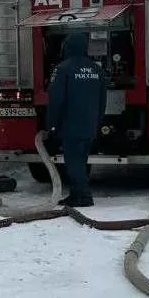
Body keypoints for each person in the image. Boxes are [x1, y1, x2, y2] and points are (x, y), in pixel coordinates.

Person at [46, 31, 106, 207]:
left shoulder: (63, 69)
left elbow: (56, 100)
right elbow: (103, 99)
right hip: (89, 124)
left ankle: (84, 197)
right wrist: (97, 121)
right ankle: (75, 194)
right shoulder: (96, 69)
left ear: (68, 47)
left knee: (73, 162)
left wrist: (52, 124)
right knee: (81, 161)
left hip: (71, 125)